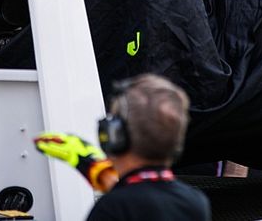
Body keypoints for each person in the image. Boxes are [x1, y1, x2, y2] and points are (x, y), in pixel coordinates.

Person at [35, 73, 211, 221]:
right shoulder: (195, 203)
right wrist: (102, 174)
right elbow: (150, 204)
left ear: (115, 136)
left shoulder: (111, 209)